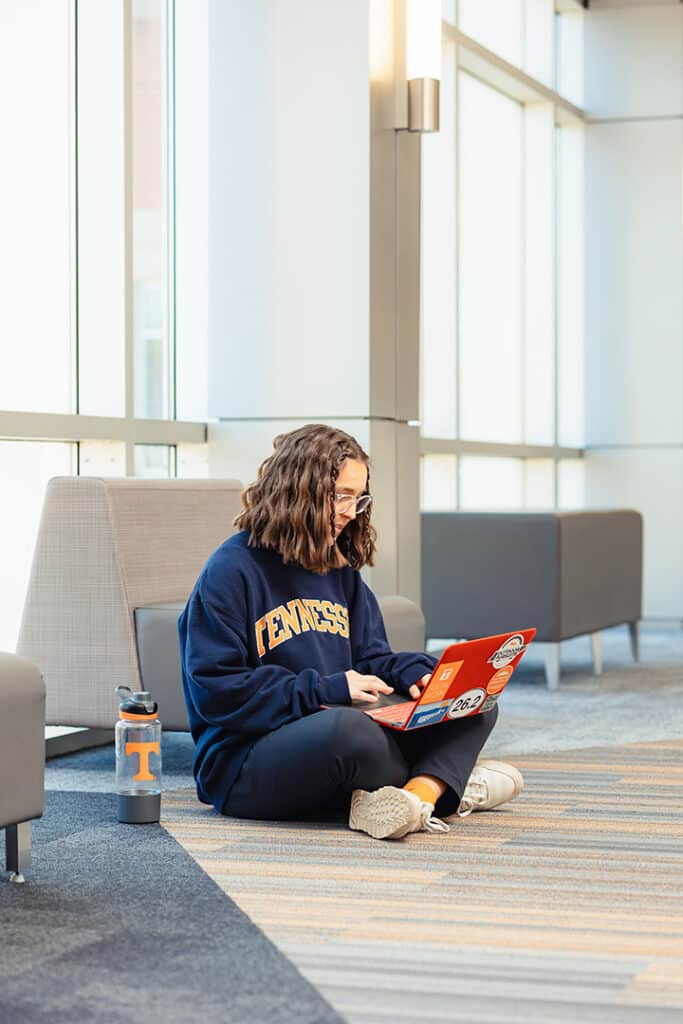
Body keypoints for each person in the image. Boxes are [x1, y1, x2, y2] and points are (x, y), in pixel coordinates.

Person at [178, 424, 523, 840]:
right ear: (297, 489)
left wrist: (417, 672)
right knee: (350, 732)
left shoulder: (337, 569)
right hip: (244, 763)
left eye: (358, 498)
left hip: (343, 737)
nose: (349, 511)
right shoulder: (230, 570)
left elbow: (372, 658)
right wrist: (326, 690)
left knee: (473, 698)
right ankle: (448, 784)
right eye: (340, 495)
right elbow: (218, 691)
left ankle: (416, 797)